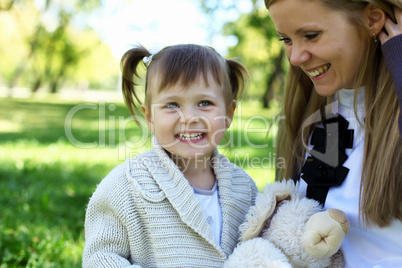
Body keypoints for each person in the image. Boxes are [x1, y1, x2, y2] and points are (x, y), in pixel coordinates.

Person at [82, 44, 258, 267]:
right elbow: (101, 258)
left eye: (205, 103)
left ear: (229, 113)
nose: (189, 117)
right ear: (150, 117)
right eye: (172, 104)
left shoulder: (245, 189)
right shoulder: (126, 187)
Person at [264, 0, 402, 267]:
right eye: (286, 39)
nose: (294, 58)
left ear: (373, 19)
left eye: (311, 35)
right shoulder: (310, 121)